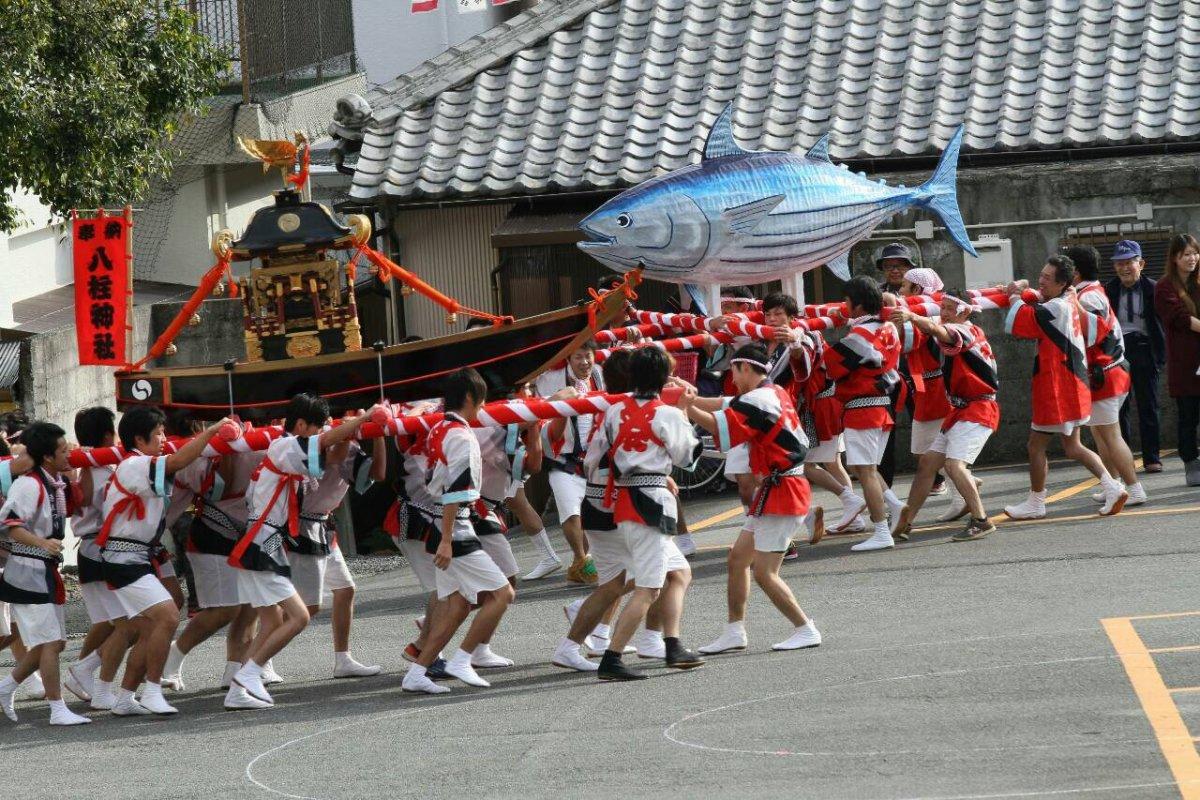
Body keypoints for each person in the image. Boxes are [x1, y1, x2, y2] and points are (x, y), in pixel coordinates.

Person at [226, 395, 376, 709]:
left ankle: (240, 687)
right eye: (317, 427)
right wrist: (364, 419)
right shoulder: (284, 446)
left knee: (272, 622)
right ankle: (247, 676)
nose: (321, 433)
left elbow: (331, 453)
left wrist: (356, 428)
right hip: (262, 544)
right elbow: (327, 443)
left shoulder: (288, 451)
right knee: (299, 616)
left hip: (262, 543)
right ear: (300, 425)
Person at [687, 343, 823, 654]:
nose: (731, 378)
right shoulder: (772, 392)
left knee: (764, 572)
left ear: (744, 368)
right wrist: (692, 399)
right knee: (738, 559)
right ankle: (734, 631)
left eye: (733, 371)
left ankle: (805, 627)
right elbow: (727, 403)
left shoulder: (757, 399)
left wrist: (687, 407)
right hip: (778, 488)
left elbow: (723, 425)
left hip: (783, 491)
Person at [553, 348, 682, 671]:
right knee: (658, 577)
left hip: (602, 499)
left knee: (621, 581)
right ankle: (629, 646)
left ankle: (589, 641)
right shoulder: (625, 411)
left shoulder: (611, 407)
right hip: (616, 502)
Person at [98, 407, 230, 716]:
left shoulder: (140, 464)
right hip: (123, 557)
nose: (163, 439)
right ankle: (153, 690)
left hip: (134, 556)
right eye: (158, 434)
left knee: (150, 627)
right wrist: (210, 433)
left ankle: (125, 698)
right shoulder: (134, 464)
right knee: (168, 616)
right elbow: (179, 461)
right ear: (138, 439)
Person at [588, 348, 704, 681]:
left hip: (623, 499)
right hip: (651, 503)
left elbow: (594, 457)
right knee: (648, 589)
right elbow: (687, 458)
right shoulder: (666, 414)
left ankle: (672, 644)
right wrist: (683, 412)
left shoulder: (613, 411)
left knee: (679, 573)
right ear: (662, 379)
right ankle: (611, 658)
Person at [401, 369, 516, 695]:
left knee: (459, 606)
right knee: (503, 594)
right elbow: (455, 491)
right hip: (455, 525)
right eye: (481, 400)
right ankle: (463, 658)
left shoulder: (439, 428)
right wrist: (449, 539)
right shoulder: (461, 436)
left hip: (442, 522)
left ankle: (418, 671)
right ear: (471, 399)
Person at [1002, 256, 1128, 519]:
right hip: (1072, 384)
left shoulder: (1057, 307)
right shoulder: (1069, 299)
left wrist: (1014, 294)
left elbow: (1024, 318)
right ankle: (1112, 486)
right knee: (1073, 447)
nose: (1041, 281)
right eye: (1041, 275)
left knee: (1035, 445)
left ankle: (1036, 502)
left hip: (1057, 386)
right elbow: (1039, 300)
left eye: (1047, 278)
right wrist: (1027, 290)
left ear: (1062, 283)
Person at [0, 422, 90, 725]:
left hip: (44, 571)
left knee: (54, 642)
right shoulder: (29, 484)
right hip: (26, 572)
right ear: (48, 456)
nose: (69, 454)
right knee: (50, 642)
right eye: (64, 450)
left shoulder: (53, 482)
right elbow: (11, 526)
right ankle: (57, 709)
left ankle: (6, 685)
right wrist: (42, 543)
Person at [160, 443, 265, 705]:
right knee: (224, 609)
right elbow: (219, 489)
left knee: (252, 602)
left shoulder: (272, 441)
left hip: (248, 533)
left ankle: (235, 672)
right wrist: (229, 447)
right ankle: (173, 656)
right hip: (212, 533)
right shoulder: (199, 453)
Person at [892, 293, 1000, 541]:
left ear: (964, 312)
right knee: (927, 463)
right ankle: (906, 522)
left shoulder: (963, 331)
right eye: (943, 307)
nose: (945, 312)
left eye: (950, 308)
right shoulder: (963, 329)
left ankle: (981, 520)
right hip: (961, 409)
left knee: (953, 465)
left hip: (978, 407)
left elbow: (937, 330)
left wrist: (910, 315)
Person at [285, 433, 385, 679]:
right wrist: (355, 426)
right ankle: (257, 661)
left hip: (323, 526)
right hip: (301, 527)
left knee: (345, 589)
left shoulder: (351, 443)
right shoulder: (316, 440)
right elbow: (334, 456)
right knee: (306, 607)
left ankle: (343, 659)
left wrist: (380, 435)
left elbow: (378, 473)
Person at [822, 275, 904, 552]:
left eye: (846, 301)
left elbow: (832, 366)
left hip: (863, 406)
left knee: (865, 471)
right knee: (866, 468)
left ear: (857, 306)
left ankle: (881, 530)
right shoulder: (888, 327)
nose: (844, 307)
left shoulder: (861, 334)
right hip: (880, 404)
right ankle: (894, 504)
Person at [1065, 244, 1146, 508]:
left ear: (1074, 271)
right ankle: (1114, 484)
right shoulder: (1086, 292)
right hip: (1104, 374)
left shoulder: (1087, 297)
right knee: (1101, 434)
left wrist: (1073, 306)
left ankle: (1134, 488)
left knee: (1111, 435)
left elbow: (1094, 334)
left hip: (1107, 374)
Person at [64, 407, 122, 705]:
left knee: (108, 621)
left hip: (93, 548)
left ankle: (81, 674)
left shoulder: (92, 467)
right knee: (127, 622)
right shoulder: (97, 471)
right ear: (106, 435)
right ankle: (87, 672)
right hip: (100, 548)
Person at [532, 342, 602, 584]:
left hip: (595, 455)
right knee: (570, 510)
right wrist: (559, 398)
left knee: (594, 511)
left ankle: (583, 563)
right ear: (568, 360)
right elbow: (539, 406)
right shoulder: (551, 377)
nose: (584, 362)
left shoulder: (599, 374)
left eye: (588, 356)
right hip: (562, 456)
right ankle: (581, 559)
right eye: (578, 357)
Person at [892, 267, 953, 522]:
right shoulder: (925, 314)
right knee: (924, 452)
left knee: (928, 454)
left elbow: (908, 344)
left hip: (935, 388)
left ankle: (964, 483)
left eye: (904, 287)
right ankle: (962, 485)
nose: (900, 291)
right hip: (925, 387)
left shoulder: (926, 318)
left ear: (917, 290)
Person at [1105, 240, 1165, 472]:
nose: (1124, 268)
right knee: (1120, 407)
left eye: (1129, 262)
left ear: (1141, 263)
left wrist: (1160, 354)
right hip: (1117, 351)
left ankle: (1152, 457)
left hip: (1145, 348)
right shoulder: (1107, 290)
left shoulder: (1154, 288)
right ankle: (1124, 458)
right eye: (1119, 263)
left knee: (1148, 404)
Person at [1153, 233, 1200, 485]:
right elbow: (1179, 318)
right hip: (1185, 362)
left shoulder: (1199, 282)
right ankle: (1191, 464)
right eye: (1186, 255)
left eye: (1195, 253)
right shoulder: (1164, 287)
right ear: (1174, 258)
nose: (1192, 259)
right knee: (1188, 415)